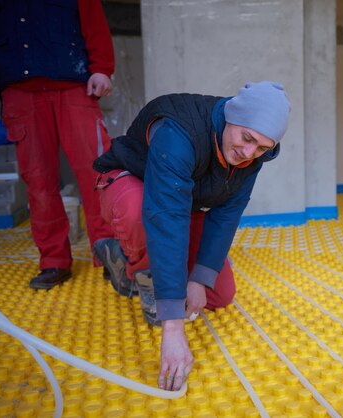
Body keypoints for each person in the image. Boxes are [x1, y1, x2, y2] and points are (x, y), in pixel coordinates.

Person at [92, 81, 290, 390]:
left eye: (262, 148)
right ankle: (137, 266)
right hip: (130, 184)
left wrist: (198, 280)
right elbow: (166, 217)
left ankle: (121, 262)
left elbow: (226, 215)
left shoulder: (252, 156)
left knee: (219, 294)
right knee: (138, 212)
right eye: (246, 138)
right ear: (231, 117)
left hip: (183, 200)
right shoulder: (179, 131)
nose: (248, 153)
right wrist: (173, 327)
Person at [0, 0, 115, 289]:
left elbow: (95, 24)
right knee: (38, 182)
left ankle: (111, 254)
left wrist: (102, 68)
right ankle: (53, 261)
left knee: (99, 173)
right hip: (20, 93)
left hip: (75, 87)